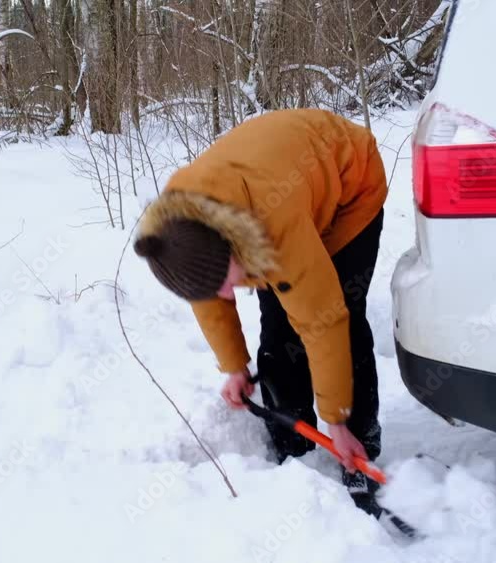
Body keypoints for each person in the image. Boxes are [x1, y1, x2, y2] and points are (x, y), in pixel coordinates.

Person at [132, 108, 388, 517]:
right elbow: (209, 294)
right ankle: (293, 447)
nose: (225, 293)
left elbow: (324, 320)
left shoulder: (274, 224)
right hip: (280, 190)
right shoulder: (184, 235)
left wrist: (336, 419)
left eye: (225, 280)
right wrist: (235, 366)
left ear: (233, 244)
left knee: (340, 312)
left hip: (349, 184)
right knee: (280, 330)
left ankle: (359, 456)